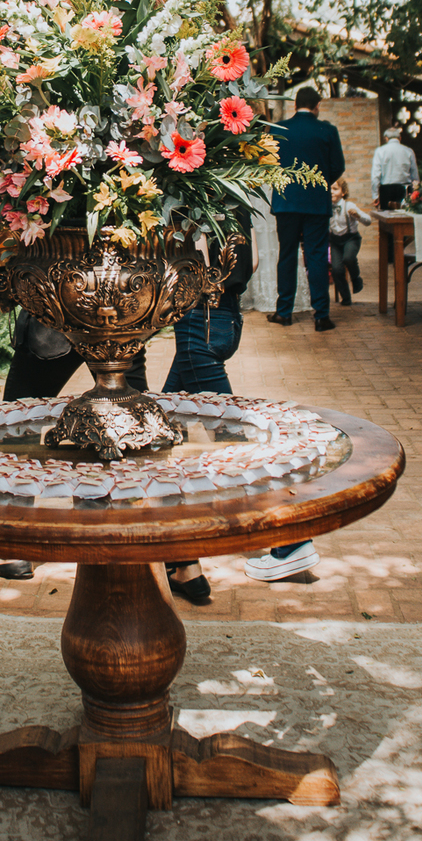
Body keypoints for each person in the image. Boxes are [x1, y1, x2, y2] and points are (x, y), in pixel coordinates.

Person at [0, 315, 148, 582]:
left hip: (60, 309)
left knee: (18, 421)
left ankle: (14, 545)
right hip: (122, 313)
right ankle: (119, 535)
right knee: (128, 417)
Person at [158, 218, 258, 604]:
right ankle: (184, 564)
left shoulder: (190, 194)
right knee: (159, 435)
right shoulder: (233, 193)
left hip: (199, 324)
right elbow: (248, 262)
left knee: (236, 447)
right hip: (225, 319)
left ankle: (292, 542)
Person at [268, 87, 345, 332]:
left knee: (287, 255)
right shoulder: (327, 130)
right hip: (316, 204)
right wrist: (319, 183)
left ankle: (284, 312)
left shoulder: (278, 129)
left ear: (295, 105)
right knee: (317, 257)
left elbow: (269, 163)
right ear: (317, 105)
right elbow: (338, 166)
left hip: (286, 202)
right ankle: (321, 316)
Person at [328, 179, 370, 305]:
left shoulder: (349, 206)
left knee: (348, 258)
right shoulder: (326, 207)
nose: (331, 192)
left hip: (351, 239)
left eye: (335, 189)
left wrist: (358, 216)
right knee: (336, 269)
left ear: (343, 192)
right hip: (335, 241)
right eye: (329, 189)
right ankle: (345, 297)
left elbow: (368, 221)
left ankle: (356, 278)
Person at [371, 125, 418, 210]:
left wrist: (375, 195)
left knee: (387, 219)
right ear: (400, 138)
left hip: (386, 190)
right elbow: (414, 175)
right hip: (405, 189)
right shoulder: (409, 151)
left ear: (386, 138)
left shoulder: (380, 151)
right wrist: (416, 192)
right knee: (405, 217)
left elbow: (376, 175)